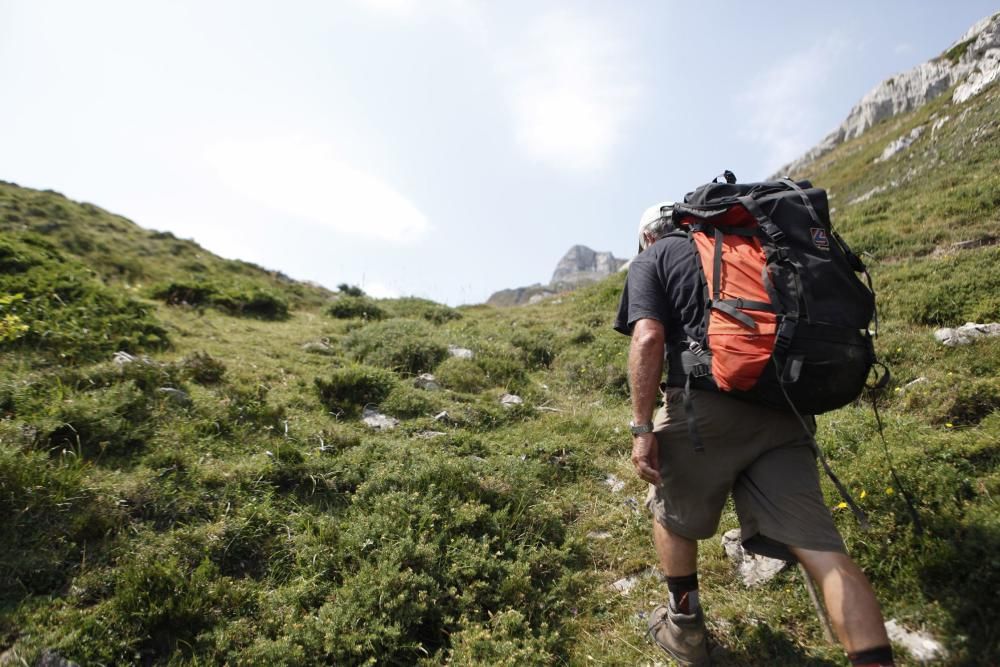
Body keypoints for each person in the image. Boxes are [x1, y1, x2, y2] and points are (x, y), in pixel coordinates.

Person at [613, 202, 895, 667]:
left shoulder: (656, 256)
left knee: (669, 507)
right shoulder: (754, 246)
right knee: (824, 553)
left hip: (707, 408)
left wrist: (642, 428)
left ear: (648, 236)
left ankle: (684, 631)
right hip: (785, 410)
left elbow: (648, 338)